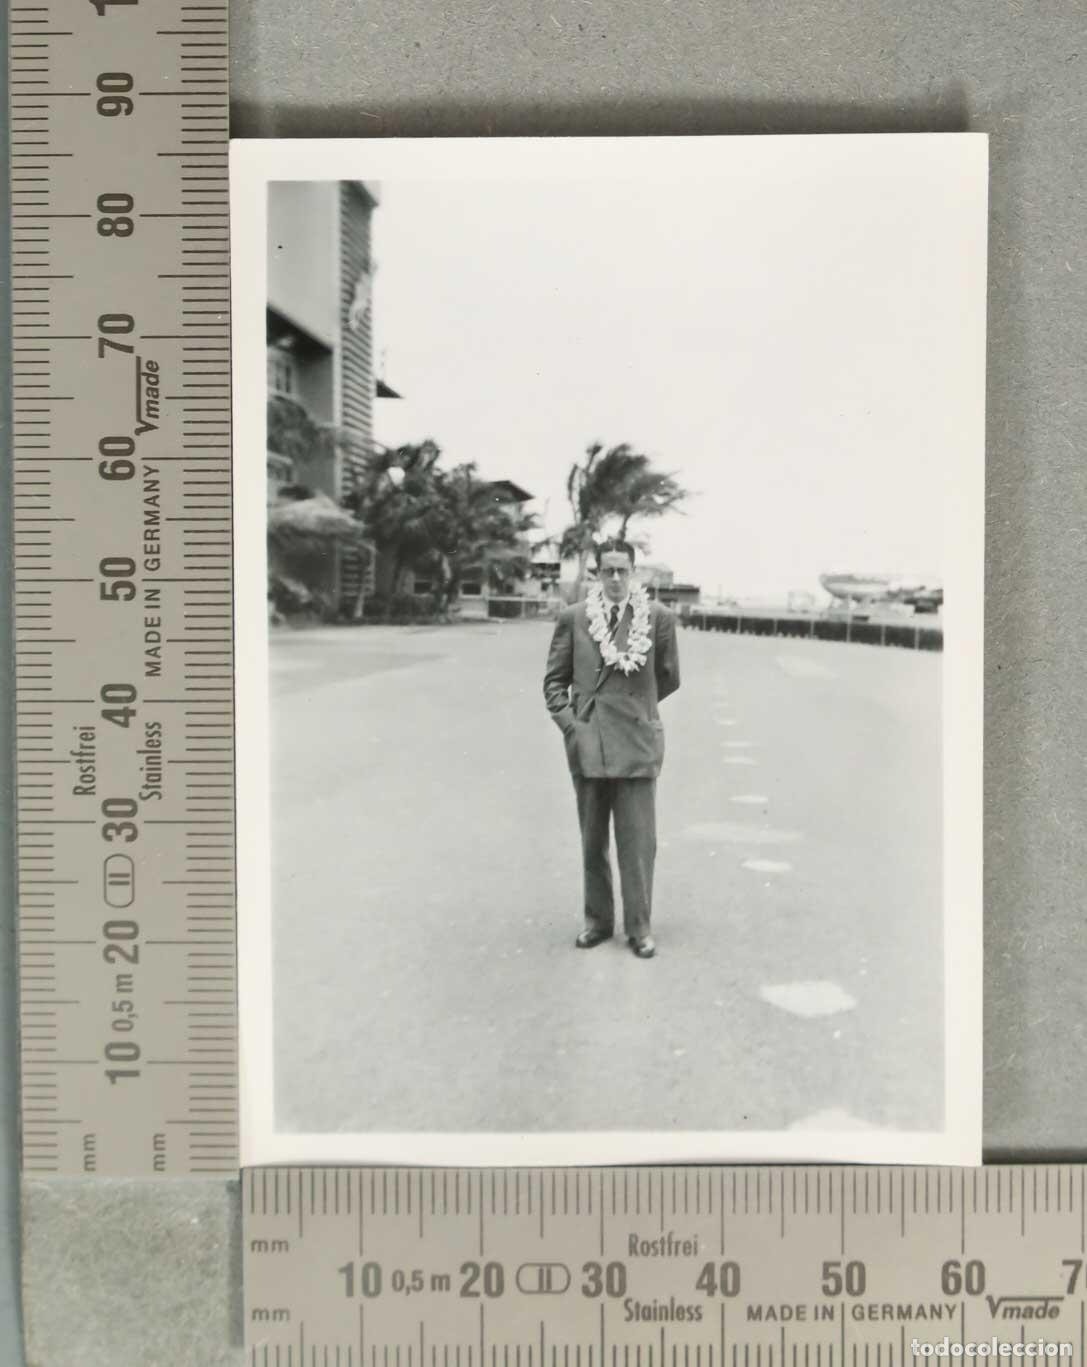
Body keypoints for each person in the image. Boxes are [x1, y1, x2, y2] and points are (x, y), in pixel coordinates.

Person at [542, 539, 681, 958]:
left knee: (638, 843)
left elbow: (668, 677)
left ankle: (639, 927)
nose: (616, 578)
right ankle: (597, 922)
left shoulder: (658, 618)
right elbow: (553, 682)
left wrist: (640, 711)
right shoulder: (574, 618)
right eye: (608, 571)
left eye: (623, 570)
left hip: (636, 741)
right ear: (596, 574)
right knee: (592, 840)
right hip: (591, 744)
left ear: (634, 573)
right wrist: (574, 726)